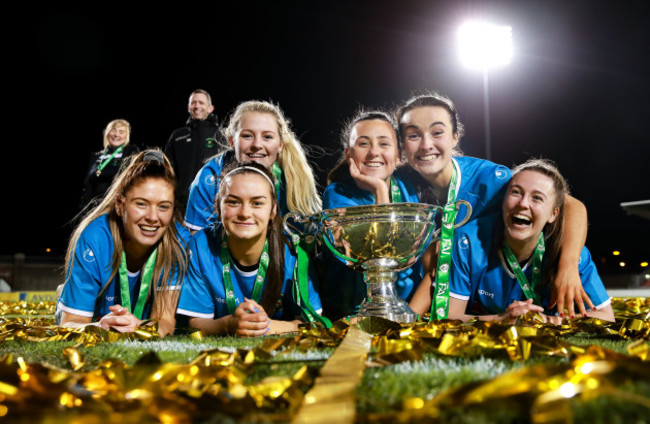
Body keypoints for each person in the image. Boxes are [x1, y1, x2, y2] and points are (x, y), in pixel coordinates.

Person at [399, 92, 593, 319]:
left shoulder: (488, 179)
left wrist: (568, 266)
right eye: (413, 136)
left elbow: (571, 205)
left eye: (437, 132)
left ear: (455, 137)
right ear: (402, 144)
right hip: (422, 303)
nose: (426, 145)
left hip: (470, 306)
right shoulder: (398, 185)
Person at [444, 159, 614, 323]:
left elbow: (606, 316)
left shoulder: (571, 254)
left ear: (553, 214)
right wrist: (500, 320)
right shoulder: (467, 242)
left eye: (537, 198)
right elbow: (449, 316)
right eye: (516, 192)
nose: (523, 203)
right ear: (503, 201)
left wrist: (553, 322)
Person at [176, 162, 323, 336]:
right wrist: (229, 325)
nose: (245, 213)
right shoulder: (201, 246)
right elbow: (196, 323)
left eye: (257, 203)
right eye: (233, 202)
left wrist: (266, 326)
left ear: (273, 209)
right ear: (217, 206)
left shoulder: (293, 251)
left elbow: (311, 322)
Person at [57, 149, 189, 336]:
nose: (153, 217)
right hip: (97, 319)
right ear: (120, 204)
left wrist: (138, 327)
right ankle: (66, 295)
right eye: (141, 204)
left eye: (163, 206)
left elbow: (165, 322)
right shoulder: (95, 238)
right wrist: (99, 328)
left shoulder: (178, 241)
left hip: (139, 319)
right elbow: (71, 323)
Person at [319, 110, 420, 320]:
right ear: (349, 155)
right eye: (363, 143)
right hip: (352, 312)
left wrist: (413, 315)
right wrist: (379, 189)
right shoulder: (338, 194)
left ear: (399, 155)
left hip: (404, 309)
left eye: (384, 144)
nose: (374, 152)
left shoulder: (408, 190)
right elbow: (379, 254)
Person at [184, 100, 320, 233]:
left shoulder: (294, 179)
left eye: (267, 137)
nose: (257, 145)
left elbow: (305, 241)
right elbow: (200, 248)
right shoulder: (208, 180)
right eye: (247, 136)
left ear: (280, 144)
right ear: (232, 141)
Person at [165, 89, 222, 212]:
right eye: (194, 103)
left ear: (210, 108)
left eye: (201, 103)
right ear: (188, 107)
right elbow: (167, 168)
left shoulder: (220, 135)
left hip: (211, 204)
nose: (197, 106)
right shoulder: (177, 135)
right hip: (180, 205)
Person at [81, 119, 139, 208]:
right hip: (94, 207)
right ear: (107, 132)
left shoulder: (130, 153)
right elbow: (88, 185)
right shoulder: (96, 156)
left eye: (121, 131)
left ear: (126, 136)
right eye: (113, 130)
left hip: (115, 205)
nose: (116, 134)